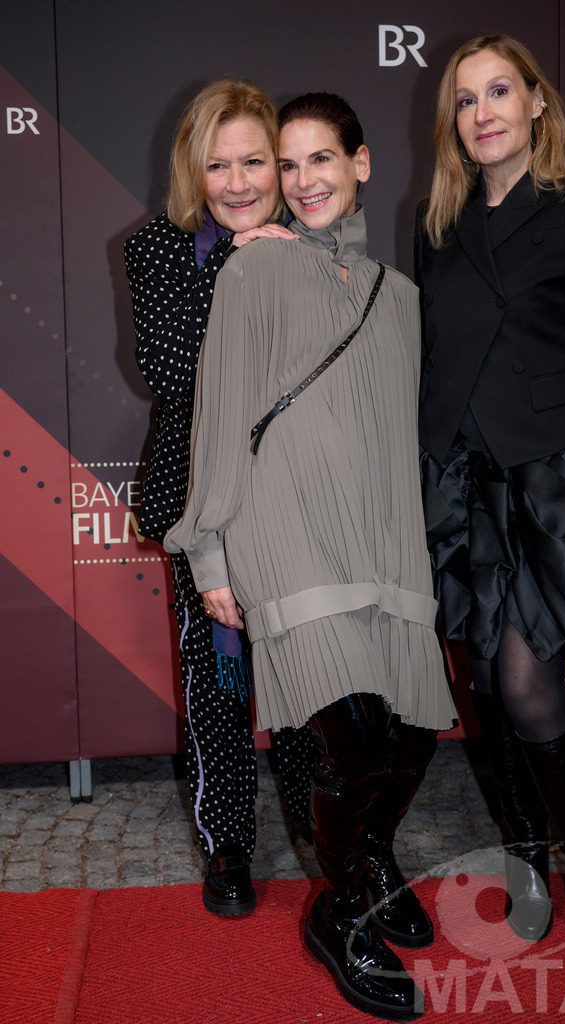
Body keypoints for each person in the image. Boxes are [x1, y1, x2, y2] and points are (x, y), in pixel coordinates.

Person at [166, 92, 456, 1021]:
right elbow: (219, 422)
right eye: (286, 167)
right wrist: (210, 553)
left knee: (409, 733)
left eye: (318, 160)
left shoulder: (401, 295)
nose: (301, 182)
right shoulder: (251, 275)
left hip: (384, 534)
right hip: (286, 531)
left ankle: (367, 858)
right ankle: (342, 913)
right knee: (345, 734)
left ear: (361, 164)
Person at [416, 34, 565, 997]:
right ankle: (524, 857)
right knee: (480, 682)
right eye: (465, 100)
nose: (482, 112)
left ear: (536, 105)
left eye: (499, 92)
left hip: (552, 483)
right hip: (461, 484)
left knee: (526, 686)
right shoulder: (433, 220)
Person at [124, 79, 313, 918]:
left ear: (281, 166)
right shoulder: (155, 250)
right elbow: (173, 375)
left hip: (302, 497)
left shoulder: (318, 242)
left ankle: (320, 829)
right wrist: (241, 269)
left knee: (306, 673)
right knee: (217, 680)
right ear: (191, 170)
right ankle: (228, 844)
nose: (237, 183)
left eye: (254, 162)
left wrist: (286, 261)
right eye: (217, 165)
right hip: (202, 500)